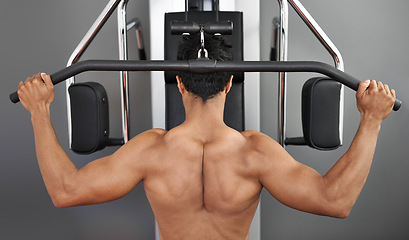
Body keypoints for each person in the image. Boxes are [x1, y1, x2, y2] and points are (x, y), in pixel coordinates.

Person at [17, 33, 395, 240]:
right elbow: (336, 201)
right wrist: (371, 119)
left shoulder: (150, 149)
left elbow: (65, 191)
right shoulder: (255, 153)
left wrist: (39, 111)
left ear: (178, 81)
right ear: (230, 82)